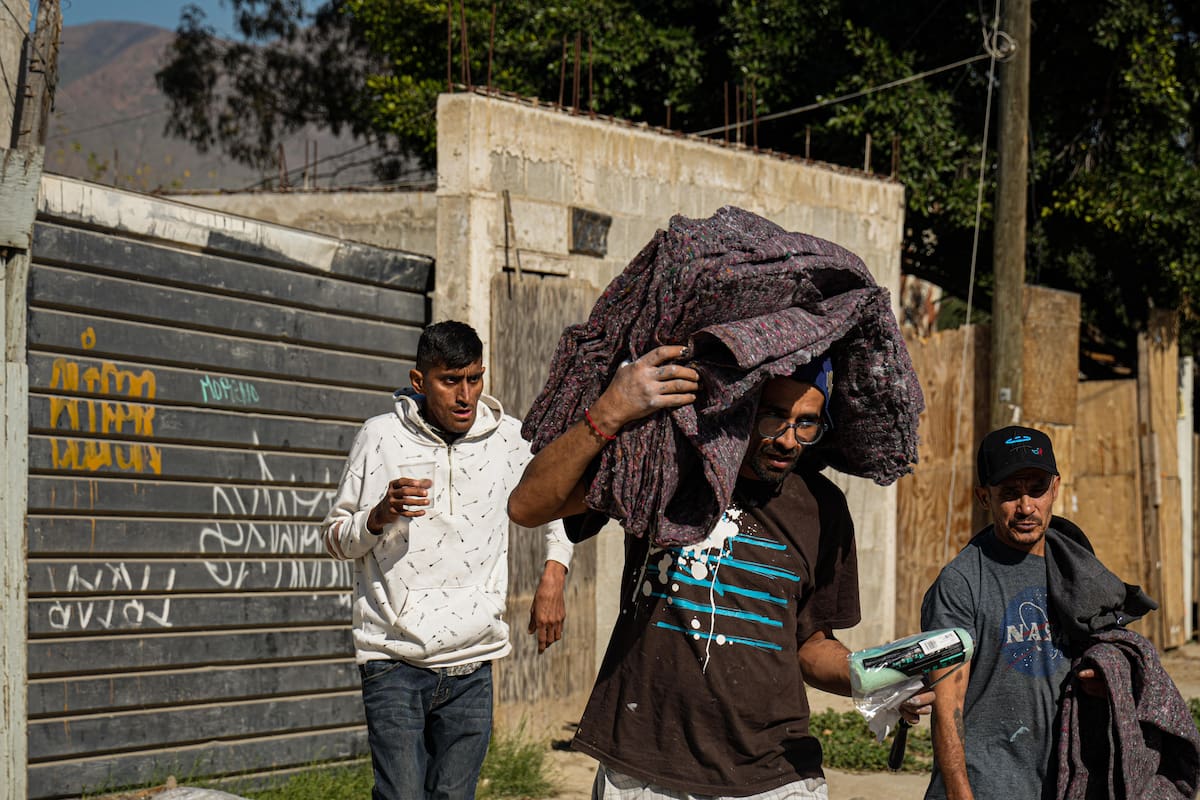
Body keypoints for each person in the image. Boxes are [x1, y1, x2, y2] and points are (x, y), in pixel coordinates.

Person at [509, 345, 932, 799]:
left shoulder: (822, 508)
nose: (789, 440)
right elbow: (528, 506)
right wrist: (612, 409)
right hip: (647, 766)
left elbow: (809, 646)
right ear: (741, 408)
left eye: (806, 423)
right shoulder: (667, 470)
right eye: (774, 417)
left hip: (773, 773)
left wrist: (876, 679)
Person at [322, 320, 573, 800]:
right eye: (450, 381)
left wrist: (553, 575)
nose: (465, 396)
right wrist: (378, 515)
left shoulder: (509, 440)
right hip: (393, 660)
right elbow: (335, 538)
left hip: (473, 662)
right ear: (420, 382)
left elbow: (558, 502)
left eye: (474, 379)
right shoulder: (379, 438)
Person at [920, 426, 1107, 800]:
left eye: (1036, 489)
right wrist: (960, 795)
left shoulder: (1077, 567)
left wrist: (1108, 682)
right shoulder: (961, 582)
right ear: (984, 497)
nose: (1025, 507)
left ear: (1054, 488)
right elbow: (947, 705)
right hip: (987, 784)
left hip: (1064, 782)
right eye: (1009, 493)